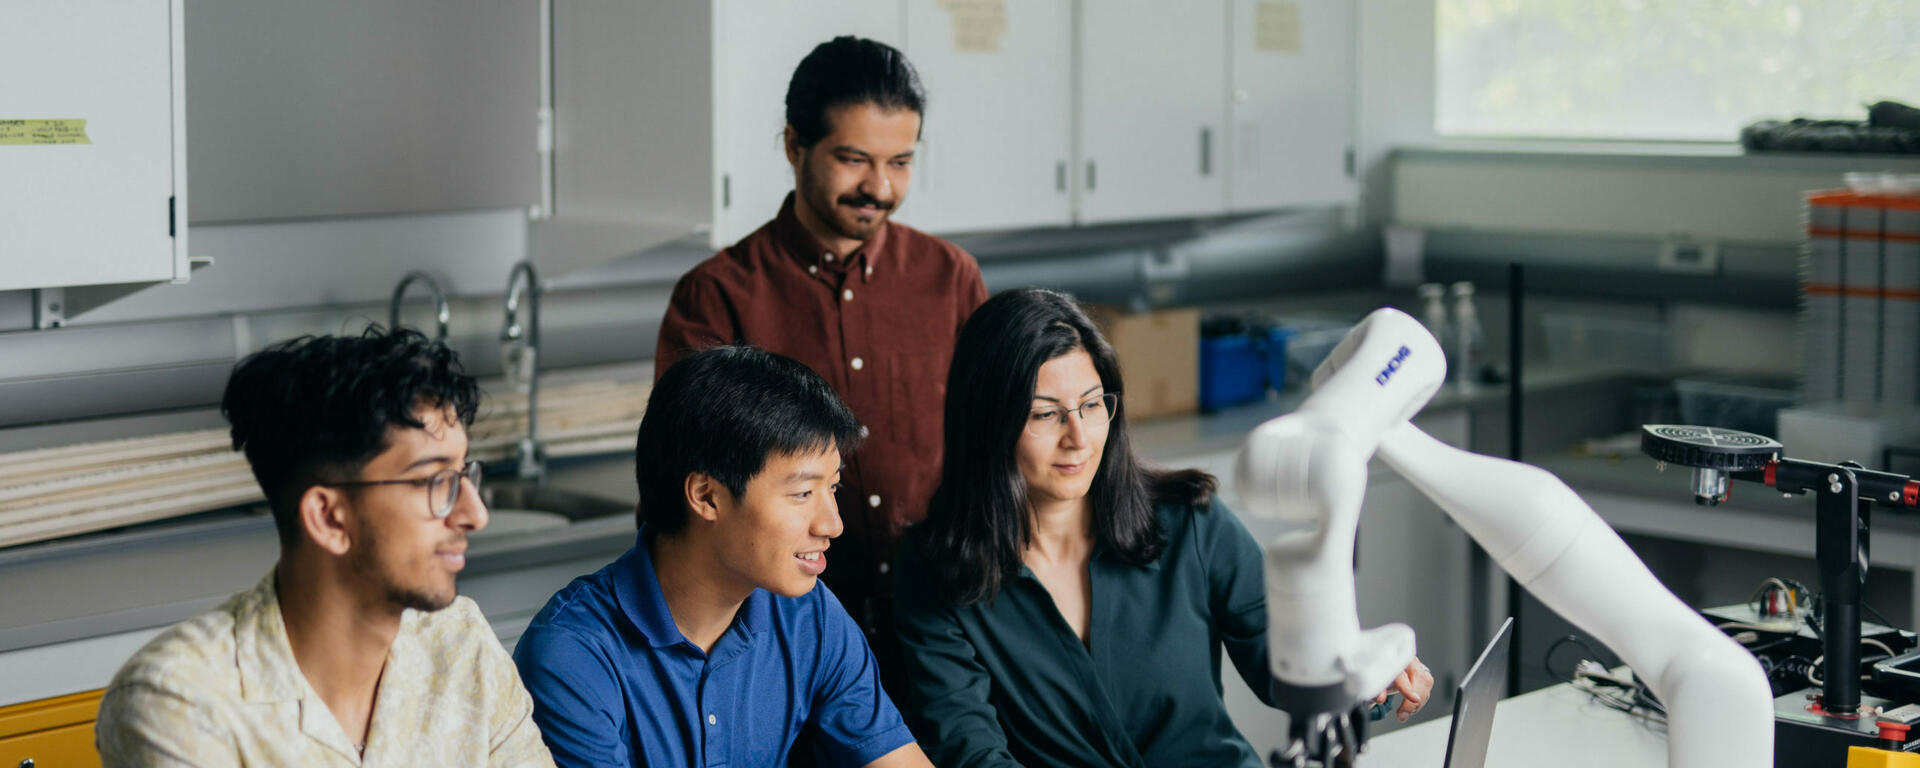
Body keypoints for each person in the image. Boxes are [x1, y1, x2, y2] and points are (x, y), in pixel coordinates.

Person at [892, 289, 1435, 767]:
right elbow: (972, 752)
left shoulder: (1189, 520)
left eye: (1091, 405)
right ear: (989, 425)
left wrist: (1366, 675)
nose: (1079, 438)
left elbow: (1287, 666)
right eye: (1044, 414)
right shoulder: (934, 573)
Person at [654, 36, 988, 680]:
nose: (880, 187)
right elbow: (683, 500)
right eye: (853, 159)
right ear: (794, 147)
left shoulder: (951, 278)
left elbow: (998, 448)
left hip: (943, 629)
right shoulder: (718, 296)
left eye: (901, 162)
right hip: (777, 646)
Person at [95, 327, 553, 766]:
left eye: (463, 475)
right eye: (435, 481)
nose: (475, 514)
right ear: (329, 518)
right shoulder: (181, 701)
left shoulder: (459, 642)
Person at [512, 346, 933, 768]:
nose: (831, 524)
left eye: (833, 488)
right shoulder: (573, 654)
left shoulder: (810, 616)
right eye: (803, 493)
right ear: (706, 497)